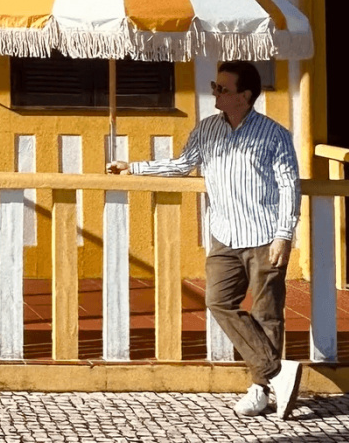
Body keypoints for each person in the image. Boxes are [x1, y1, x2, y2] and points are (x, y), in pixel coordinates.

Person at [107, 60, 302, 420]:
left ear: (244, 96)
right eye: (214, 86)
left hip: (264, 234)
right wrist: (133, 166)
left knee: (267, 314)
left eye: (222, 89)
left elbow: (290, 185)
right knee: (217, 300)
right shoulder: (207, 129)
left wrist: (284, 235)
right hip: (224, 234)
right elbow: (182, 164)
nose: (215, 93)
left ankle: (261, 389)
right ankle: (276, 372)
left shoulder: (274, 134)